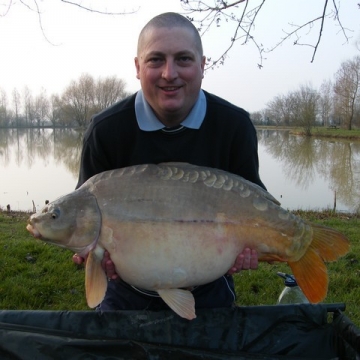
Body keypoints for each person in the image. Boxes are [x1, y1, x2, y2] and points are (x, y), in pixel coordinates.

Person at [73, 12, 264, 312]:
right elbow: (84, 218)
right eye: (156, 60)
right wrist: (91, 256)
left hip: (210, 287)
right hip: (124, 292)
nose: (169, 73)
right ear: (137, 67)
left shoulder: (234, 126)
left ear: (203, 66)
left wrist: (251, 249)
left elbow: (254, 206)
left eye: (184, 59)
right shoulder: (105, 131)